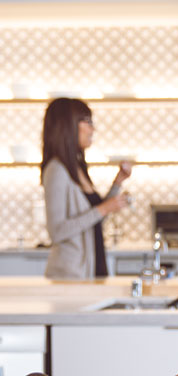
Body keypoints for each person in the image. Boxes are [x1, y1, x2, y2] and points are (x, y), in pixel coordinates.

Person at [41, 98, 131, 280]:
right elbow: (57, 232)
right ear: (68, 125)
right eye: (87, 122)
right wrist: (105, 208)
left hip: (91, 270)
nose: (92, 129)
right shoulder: (56, 170)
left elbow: (94, 221)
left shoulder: (78, 168)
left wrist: (117, 183)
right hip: (69, 276)